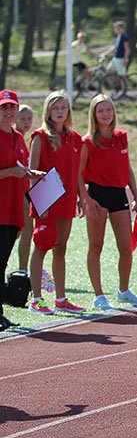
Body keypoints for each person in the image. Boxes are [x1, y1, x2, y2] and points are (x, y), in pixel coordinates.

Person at [77, 95, 137, 310]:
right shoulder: (87, 141)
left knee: (126, 248)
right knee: (96, 246)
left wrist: (136, 197)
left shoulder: (121, 137)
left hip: (119, 195)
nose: (105, 114)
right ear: (94, 115)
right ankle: (99, 295)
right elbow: (78, 174)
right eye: (100, 111)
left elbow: (127, 169)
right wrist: (86, 199)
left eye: (108, 110)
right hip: (97, 196)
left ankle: (123, 291)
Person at [28, 90, 85, 315]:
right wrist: (40, 202)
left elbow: (77, 173)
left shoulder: (75, 137)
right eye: (55, 108)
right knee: (41, 247)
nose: (60, 112)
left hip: (67, 201)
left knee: (61, 249)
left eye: (63, 107)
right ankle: (37, 300)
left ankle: (61, 299)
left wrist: (81, 198)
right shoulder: (39, 136)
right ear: (48, 111)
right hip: (46, 202)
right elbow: (32, 171)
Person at [0, 90, 44, 330]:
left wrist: (33, 174)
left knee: (3, 262)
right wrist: (10, 173)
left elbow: (20, 169)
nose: (8, 112)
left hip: (13, 209)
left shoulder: (18, 138)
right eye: (4, 108)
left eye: (11, 108)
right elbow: (10, 170)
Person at [15, 104, 34, 273]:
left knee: (27, 231)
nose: (26, 122)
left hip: (26, 192)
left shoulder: (26, 140)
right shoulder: (13, 138)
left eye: (29, 119)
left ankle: (23, 270)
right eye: (23, 119)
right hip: (14, 193)